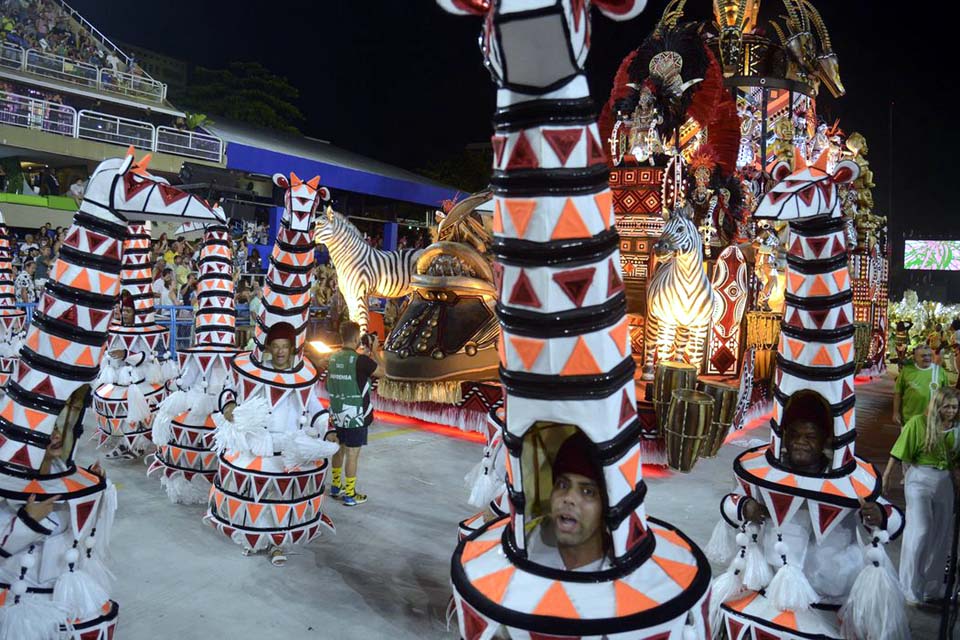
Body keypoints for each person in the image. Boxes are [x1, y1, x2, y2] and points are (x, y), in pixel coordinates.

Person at [883, 387, 960, 605]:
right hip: (919, 478)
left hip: (944, 480)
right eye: (947, 406)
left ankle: (931, 589)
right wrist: (887, 476)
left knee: (941, 534)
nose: (951, 411)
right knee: (920, 530)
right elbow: (899, 451)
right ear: (937, 405)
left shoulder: (957, 429)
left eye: (955, 407)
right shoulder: (918, 423)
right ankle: (909, 588)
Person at [525, 431, 610, 571]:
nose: (569, 498)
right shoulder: (527, 540)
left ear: (607, 507)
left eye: (588, 491)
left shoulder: (630, 578)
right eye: (562, 485)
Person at [327, 321, 382, 506]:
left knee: (339, 449)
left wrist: (365, 355)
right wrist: (375, 350)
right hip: (356, 415)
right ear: (357, 338)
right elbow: (384, 372)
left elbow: (355, 371)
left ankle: (336, 486)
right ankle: (350, 494)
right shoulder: (361, 361)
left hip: (337, 412)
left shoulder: (333, 358)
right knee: (352, 453)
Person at [893, 345, 947, 426]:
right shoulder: (906, 371)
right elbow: (898, 393)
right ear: (915, 358)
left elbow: (947, 395)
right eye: (923, 356)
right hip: (909, 419)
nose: (927, 358)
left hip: (932, 419)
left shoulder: (940, 371)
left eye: (929, 355)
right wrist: (896, 413)